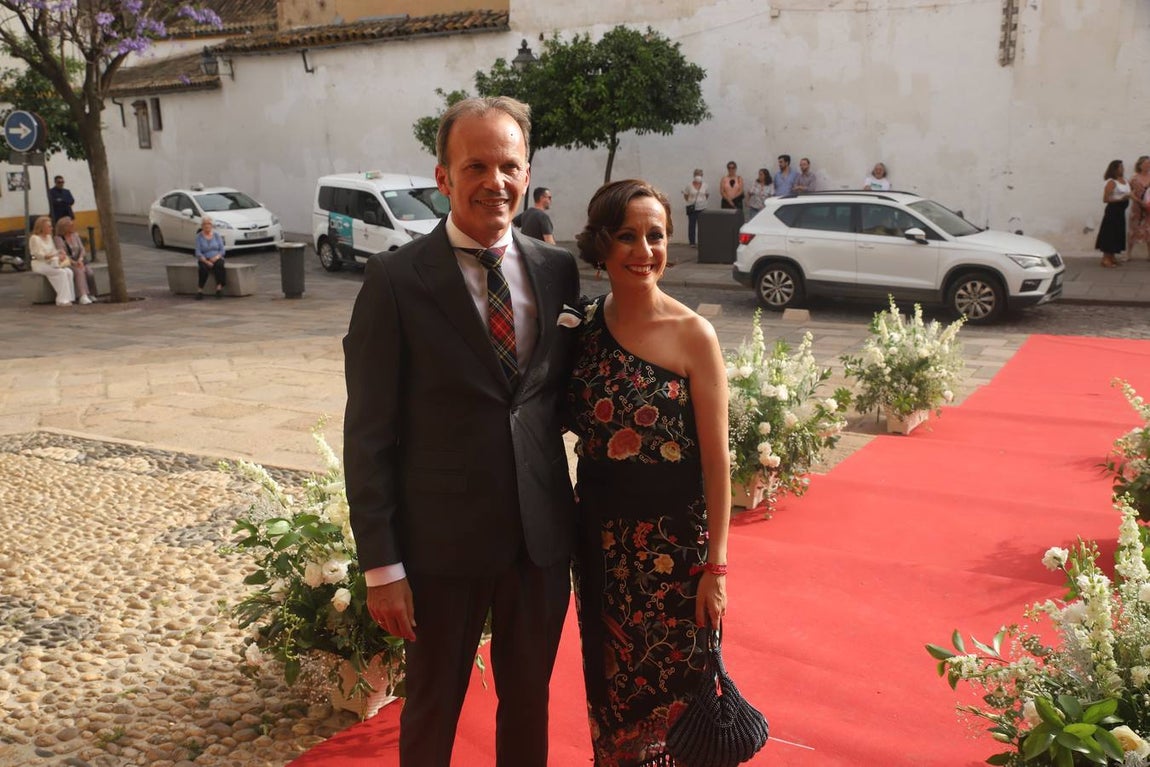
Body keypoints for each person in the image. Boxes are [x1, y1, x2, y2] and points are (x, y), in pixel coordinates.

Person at [343, 96, 580, 767]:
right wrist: (382, 567)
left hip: (538, 542)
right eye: (475, 165)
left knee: (528, 703)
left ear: (527, 173)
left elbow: (559, 395)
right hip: (439, 547)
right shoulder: (395, 280)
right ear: (443, 177)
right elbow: (368, 434)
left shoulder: (557, 270)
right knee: (433, 706)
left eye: (508, 166)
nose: (494, 182)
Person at [567, 179, 731, 765]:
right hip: (600, 547)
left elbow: (717, 461)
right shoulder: (582, 328)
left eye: (655, 236)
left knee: (679, 692)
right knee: (611, 689)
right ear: (601, 246)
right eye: (627, 236)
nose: (644, 251)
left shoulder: (693, 335)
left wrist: (716, 567)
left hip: (675, 553)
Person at [28, 215, 76, 306]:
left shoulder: (49, 237)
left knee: (69, 271)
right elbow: (38, 255)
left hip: (51, 262)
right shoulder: (34, 238)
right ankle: (62, 300)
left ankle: (69, 297)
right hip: (39, 264)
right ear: (42, 228)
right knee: (61, 273)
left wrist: (60, 254)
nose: (51, 228)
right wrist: (53, 255)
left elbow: (53, 251)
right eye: (49, 226)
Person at [1096, 159, 1130, 269]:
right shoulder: (1111, 182)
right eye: (1120, 167)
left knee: (1117, 233)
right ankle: (1105, 258)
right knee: (1110, 234)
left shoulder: (1124, 180)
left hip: (1120, 211)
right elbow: (1106, 199)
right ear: (1114, 169)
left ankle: (1112, 257)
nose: (1123, 169)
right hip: (1113, 211)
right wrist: (1121, 199)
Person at [54, 216, 96, 303]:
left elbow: (82, 249)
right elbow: (63, 254)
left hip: (79, 260)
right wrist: (74, 263)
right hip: (68, 262)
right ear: (64, 227)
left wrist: (80, 259)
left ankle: (91, 294)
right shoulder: (58, 239)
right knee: (79, 271)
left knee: (89, 272)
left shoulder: (75, 235)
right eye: (71, 226)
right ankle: (82, 295)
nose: (73, 227)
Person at [195, 217, 227, 298]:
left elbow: (222, 250)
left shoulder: (216, 235)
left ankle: (219, 289)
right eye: (205, 224)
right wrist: (206, 262)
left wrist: (216, 258)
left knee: (219, 265)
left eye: (209, 224)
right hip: (204, 259)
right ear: (202, 226)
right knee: (203, 269)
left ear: (211, 225)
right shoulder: (199, 236)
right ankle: (200, 291)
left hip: (216, 257)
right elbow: (198, 252)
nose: (207, 226)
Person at [1128, 155, 1150, 260]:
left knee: (1149, 230)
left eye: (1149, 163)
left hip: (1148, 208)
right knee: (1133, 230)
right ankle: (1128, 254)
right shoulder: (1134, 178)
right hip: (1137, 208)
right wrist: (1139, 202)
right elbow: (1129, 193)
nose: (1148, 165)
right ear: (1140, 165)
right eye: (1146, 163)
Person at [681, 169, 709, 247]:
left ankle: (702, 241)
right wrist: (691, 202)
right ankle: (692, 242)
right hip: (692, 208)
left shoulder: (705, 185)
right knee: (692, 225)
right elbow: (686, 195)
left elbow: (706, 195)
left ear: (702, 176)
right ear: (694, 175)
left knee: (702, 226)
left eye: (700, 174)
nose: (698, 176)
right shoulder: (689, 185)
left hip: (702, 208)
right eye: (697, 174)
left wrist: (702, 201)